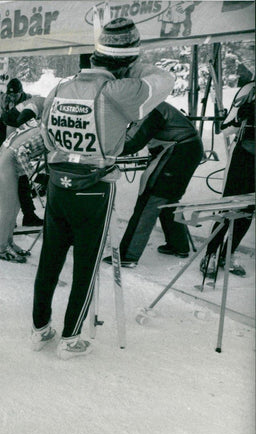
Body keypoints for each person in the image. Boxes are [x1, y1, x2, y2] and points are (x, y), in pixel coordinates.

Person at [31, 17, 173, 359]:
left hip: (58, 183)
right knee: (86, 265)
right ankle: (71, 338)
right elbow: (165, 80)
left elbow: (47, 135)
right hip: (94, 185)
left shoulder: (59, 89)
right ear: (127, 62)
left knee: (49, 259)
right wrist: (136, 65)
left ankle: (40, 329)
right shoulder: (119, 91)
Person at [102, 102, 202, 267]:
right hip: (186, 149)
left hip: (177, 152)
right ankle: (178, 245)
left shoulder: (148, 108)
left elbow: (132, 141)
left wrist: (103, 148)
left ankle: (128, 255)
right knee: (168, 199)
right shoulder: (151, 104)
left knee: (150, 199)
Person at [200, 80, 254, 278]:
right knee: (229, 206)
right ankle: (211, 254)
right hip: (245, 156)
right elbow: (225, 129)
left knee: (248, 211)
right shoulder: (251, 90)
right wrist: (241, 116)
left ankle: (228, 254)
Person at [0, 78, 44, 227]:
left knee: (21, 178)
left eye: (14, 95)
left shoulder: (30, 101)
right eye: (9, 95)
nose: (11, 98)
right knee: (7, 177)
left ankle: (28, 215)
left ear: (21, 92)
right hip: (2, 133)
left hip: (14, 132)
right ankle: (5, 217)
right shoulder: (7, 101)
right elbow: (13, 127)